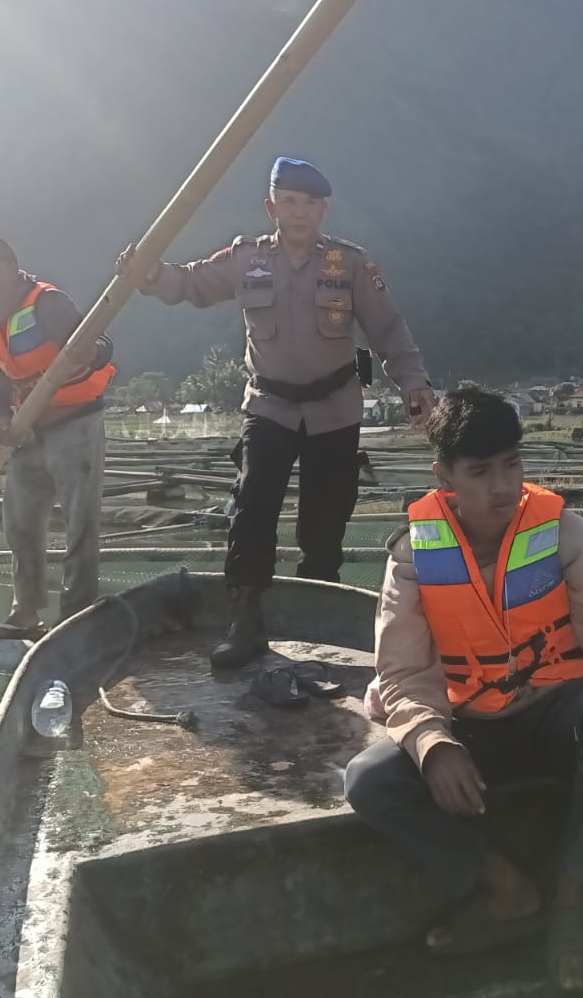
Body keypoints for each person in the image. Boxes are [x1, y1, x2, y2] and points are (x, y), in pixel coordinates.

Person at [343, 386, 583, 992]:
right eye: (480, 471)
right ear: (444, 476)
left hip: (557, 717)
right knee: (368, 780)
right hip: (472, 731)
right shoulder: (412, 555)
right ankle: (506, 887)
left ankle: (575, 898)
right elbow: (402, 674)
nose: (501, 486)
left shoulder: (564, 532)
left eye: (512, 464)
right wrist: (433, 745)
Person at [118, 156, 434, 669]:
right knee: (252, 507)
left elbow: (388, 330)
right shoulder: (246, 258)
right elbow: (193, 283)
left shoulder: (350, 264)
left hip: (334, 407)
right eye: (289, 202)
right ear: (271, 207)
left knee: (325, 518)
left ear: (324, 210)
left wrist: (413, 384)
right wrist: (151, 275)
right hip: (268, 405)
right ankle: (246, 621)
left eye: (309, 203)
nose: (300, 212)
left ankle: (318, 612)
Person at [0, 234, 115, 642]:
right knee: (20, 522)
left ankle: (76, 614)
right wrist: (1, 418)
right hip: (29, 429)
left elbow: (99, 343)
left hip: (76, 421)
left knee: (80, 521)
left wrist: (89, 354)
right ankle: (24, 613)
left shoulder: (48, 302)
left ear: (13, 268)